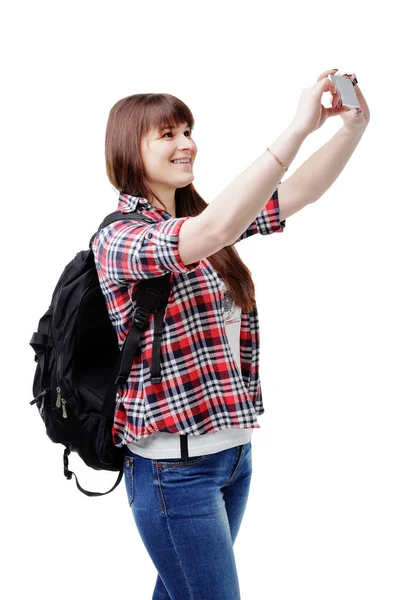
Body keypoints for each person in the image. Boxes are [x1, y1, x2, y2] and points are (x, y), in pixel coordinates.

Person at [92, 69, 369, 600]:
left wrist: (351, 128)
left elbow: (298, 193)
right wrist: (296, 127)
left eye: (188, 130)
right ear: (130, 149)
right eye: (168, 134)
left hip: (233, 455)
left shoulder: (201, 219)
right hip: (174, 468)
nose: (187, 144)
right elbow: (212, 231)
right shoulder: (121, 239)